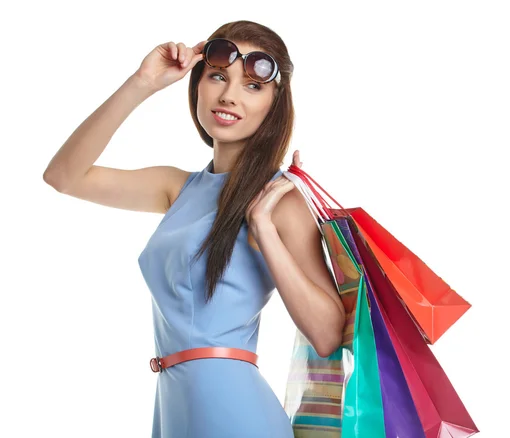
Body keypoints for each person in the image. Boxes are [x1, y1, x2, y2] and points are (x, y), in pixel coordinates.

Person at [43, 20, 345, 438]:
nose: (229, 95)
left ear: (274, 104)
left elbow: (328, 334)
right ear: (197, 85)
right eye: (218, 76)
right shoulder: (177, 188)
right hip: (174, 408)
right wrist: (143, 82)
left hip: (234, 412)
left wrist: (263, 226)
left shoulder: (278, 201)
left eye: (252, 87)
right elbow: (63, 176)